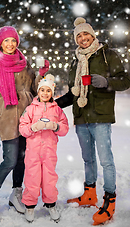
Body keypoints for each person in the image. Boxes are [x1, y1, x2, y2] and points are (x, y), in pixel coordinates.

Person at [55, 17, 130, 225]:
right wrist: (55, 104)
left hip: (101, 116)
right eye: (78, 35)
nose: (83, 38)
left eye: (85, 34)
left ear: (93, 34)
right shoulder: (75, 61)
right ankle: (89, 194)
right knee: (88, 159)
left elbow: (125, 80)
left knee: (106, 160)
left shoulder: (107, 55)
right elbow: (73, 93)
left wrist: (106, 82)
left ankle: (109, 200)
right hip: (81, 117)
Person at [0, 26, 49, 222]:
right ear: (0, 43)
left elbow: (35, 90)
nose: (10, 44)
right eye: (6, 41)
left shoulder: (24, 63)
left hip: (27, 118)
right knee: (9, 160)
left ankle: (16, 193)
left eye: (13, 41)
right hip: (8, 118)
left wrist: (41, 74)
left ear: (17, 42)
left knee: (22, 159)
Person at [19, 74, 69, 223]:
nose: (45, 93)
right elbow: (23, 128)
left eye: (48, 91)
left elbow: (65, 128)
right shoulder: (30, 109)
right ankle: (29, 206)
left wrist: (56, 126)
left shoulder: (57, 110)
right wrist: (34, 127)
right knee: (32, 178)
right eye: (43, 90)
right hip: (33, 152)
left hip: (49, 152)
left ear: (52, 93)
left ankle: (51, 204)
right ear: (38, 92)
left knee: (49, 179)